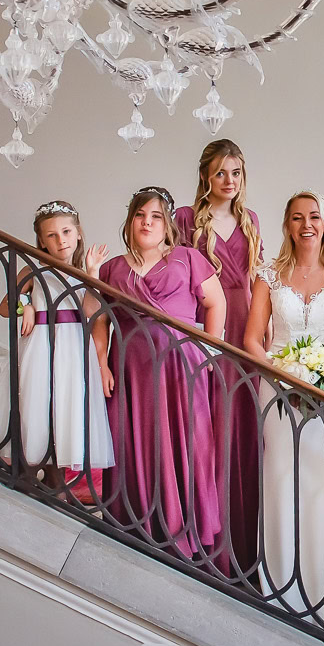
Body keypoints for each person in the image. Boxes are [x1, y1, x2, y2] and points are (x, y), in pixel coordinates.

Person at [93, 187, 226, 561]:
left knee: (189, 443)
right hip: (131, 372)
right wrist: (101, 362)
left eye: (155, 216)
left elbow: (216, 302)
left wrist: (206, 350)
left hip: (182, 368)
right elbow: (99, 318)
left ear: (167, 225)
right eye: (140, 215)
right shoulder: (111, 268)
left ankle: (185, 532)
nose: (147, 222)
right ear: (130, 221)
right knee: (135, 441)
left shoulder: (187, 258)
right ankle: (138, 525)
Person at [245, 191, 324, 618]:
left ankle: (322, 596)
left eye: (314, 217)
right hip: (277, 392)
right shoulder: (269, 275)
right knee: (280, 478)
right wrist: (283, 374)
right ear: (287, 225)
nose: (306, 224)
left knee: (321, 484)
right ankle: (280, 589)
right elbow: (252, 339)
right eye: (296, 218)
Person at [0, 201, 112, 495]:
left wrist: (92, 274)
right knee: (36, 405)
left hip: (72, 351)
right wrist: (25, 306)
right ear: (41, 241)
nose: (60, 240)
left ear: (77, 234)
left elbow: (92, 310)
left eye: (65, 232)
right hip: (39, 348)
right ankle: (25, 473)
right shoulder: (32, 267)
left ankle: (56, 485)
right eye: (51, 235)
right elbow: (4, 307)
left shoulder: (81, 272)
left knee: (64, 409)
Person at [177, 139, 264, 573]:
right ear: (205, 177)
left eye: (236, 173)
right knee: (206, 426)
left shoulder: (251, 221)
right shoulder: (187, 220)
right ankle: (205, 536)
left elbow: (258, 282)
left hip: (244, 323)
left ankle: (244, 543)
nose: (229, 182)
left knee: (241, 428)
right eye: (220, 174)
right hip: (208, 320)